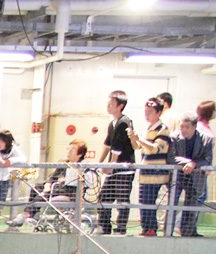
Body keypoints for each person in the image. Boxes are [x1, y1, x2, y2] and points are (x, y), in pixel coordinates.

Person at [10, 139, 88, 228]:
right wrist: (48, 184)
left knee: (46, 194)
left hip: (70, 192)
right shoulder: (65, 164)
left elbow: (83, 184)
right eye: (68, 149)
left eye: (72, 150)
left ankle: (26, 214)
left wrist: (63, 181)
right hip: (56, 189)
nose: (69, 152)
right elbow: (52, 177)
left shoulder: (83, 167)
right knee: (37, 187)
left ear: (80, 153)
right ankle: (33, 215)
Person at [129, 96, 171, 236]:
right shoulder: (147, 128)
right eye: (145, 111)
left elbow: (157, 148)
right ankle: (146, 228)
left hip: (156, 172)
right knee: (143, 200)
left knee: (148, 200)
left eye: (150, 111)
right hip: (146, 171)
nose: (146, 114)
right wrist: (133, 138)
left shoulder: (163, 129)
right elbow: (138, 147)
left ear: (159, 112)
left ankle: (151, 228)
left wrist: (138, 139)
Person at [97, 90, 136, 235]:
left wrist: (111, 166)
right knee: (104, 197)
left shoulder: (124, 122)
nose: (108, 105)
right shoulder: (112, 124)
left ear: (120, 105)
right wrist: (99, 164)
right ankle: (104, 227)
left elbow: (117, 149)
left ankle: (121, 229)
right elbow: (108, 145)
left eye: (112, 103)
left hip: (124, 169)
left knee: (122, 199)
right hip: (113, 169)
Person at [169, 113, 213, 237]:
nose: (183, 130)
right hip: (177, 177)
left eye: (187, 127)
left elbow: (207, 160)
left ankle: (188, 232)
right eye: (181, 126)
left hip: (195, 177)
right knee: (172, 204)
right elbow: (171, 158)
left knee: (192, 205)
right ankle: (168, 232)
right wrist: (188, 162)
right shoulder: (173, 137)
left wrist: (194, 164)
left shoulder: (207, 139)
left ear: (195, 126)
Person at [0, 130, 26, 231]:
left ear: (7, 142)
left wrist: (10, 161)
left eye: (2, 141)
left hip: (5, 179)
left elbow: (24, 158)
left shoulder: (13, 149)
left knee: (0, 203)